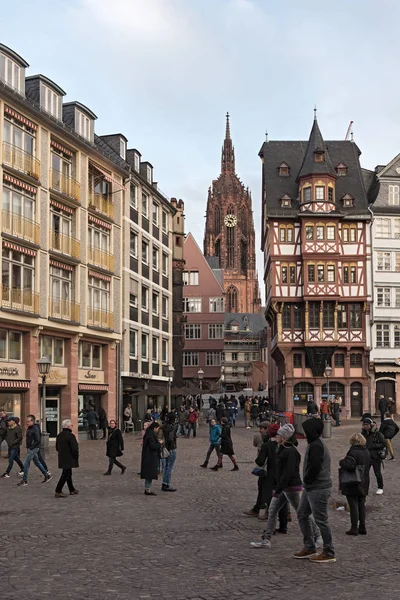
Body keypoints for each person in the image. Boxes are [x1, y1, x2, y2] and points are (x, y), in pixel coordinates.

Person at [250, 423, 302, 548]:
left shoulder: (290, 452)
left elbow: (288, 473)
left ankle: (317, 536)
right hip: (283, 487)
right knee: (272, 511)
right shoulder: (282, 448)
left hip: (290, 487)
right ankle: (266, 539)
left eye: (279, 435)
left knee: (302, 513)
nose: (277, 436)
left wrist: (278, 488)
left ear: (284, 437)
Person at [294, 418, 335, 563]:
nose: (304, 433)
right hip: (311, 487)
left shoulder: (317, 445)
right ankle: (309, 546)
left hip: (318, 487)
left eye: (306, 430)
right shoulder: (313, 444)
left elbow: (315, 467)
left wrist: (308, 480)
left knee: (321, 520)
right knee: (302, 514)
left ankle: (329, 552)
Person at [339, 432, 370, 535]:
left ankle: (354, 528)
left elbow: (350, 466)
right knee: (361, 504)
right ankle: (362, 527)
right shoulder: (366, 451)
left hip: (353, 481)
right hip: (364, 480)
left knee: (353, 505)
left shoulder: (352, 452)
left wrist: (342, 462)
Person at [17, 415, 51, 487]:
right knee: (37, 462)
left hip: (33, 448)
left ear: (32, 421)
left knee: (26, 463)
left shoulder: (35, 428)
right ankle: (47, 475)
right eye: (27, 421)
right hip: (31, 448)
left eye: (28, 421)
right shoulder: (30, 428)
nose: (27, 422)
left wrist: (31, 447)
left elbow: (38, 440)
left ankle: (24, 480)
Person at [54, 419, 79, 498]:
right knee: (65, 474)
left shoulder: (59, 435)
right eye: (71, 425)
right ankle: (58, 490)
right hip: (69, 457)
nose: (72, 427)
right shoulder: (70, 436)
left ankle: (71, 489)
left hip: (62, 457)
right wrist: (76, 457)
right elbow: (74, 448)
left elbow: (57, 447)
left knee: (68, 473)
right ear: (68, 426)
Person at [361, 417, 386, 494]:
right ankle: (365, 488)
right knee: (365, 473)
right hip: (366, 456)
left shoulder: (377, 433)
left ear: (370, 425)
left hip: (376, 457)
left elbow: (383, 443)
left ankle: (380, 487)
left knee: (377, 472)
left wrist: (372, 446)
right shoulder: (363, 433)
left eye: (367, 424)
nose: (365, 426)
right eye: (364, 425)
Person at [141, 421, 162, 495]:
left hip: (149, 456)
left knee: (149, 474)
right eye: (157, 428)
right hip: (150, 457)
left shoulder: (149, 433)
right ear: (154, 428)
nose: (157, 430)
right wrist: (159, 444)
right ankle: (147, 489)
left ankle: (148, 489)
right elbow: (152, 446)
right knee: (149, 474)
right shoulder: (150, 434)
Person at [161, 412, 178, 491]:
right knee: (169, 467)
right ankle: (166, 484)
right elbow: (170, 438)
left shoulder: (163, 427)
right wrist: (171, 448)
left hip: (164, 448)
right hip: (171, 449)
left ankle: (164, 483)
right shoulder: (172, 427)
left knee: (165, 467)